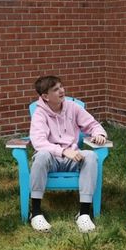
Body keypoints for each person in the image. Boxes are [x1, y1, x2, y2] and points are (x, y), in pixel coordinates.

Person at [28, 75, 108, 233]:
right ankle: (35, 212)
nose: (62, 91)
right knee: (41, 155)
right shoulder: (39, 114)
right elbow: (39, 142)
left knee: (91, 156)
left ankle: (84, 213)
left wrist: (99, 134)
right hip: (51, 159)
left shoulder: (73, 107)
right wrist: (63, 151)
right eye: (56, 89)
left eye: (61, 87)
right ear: (45, 96)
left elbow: (92, 124)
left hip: (73, 157)